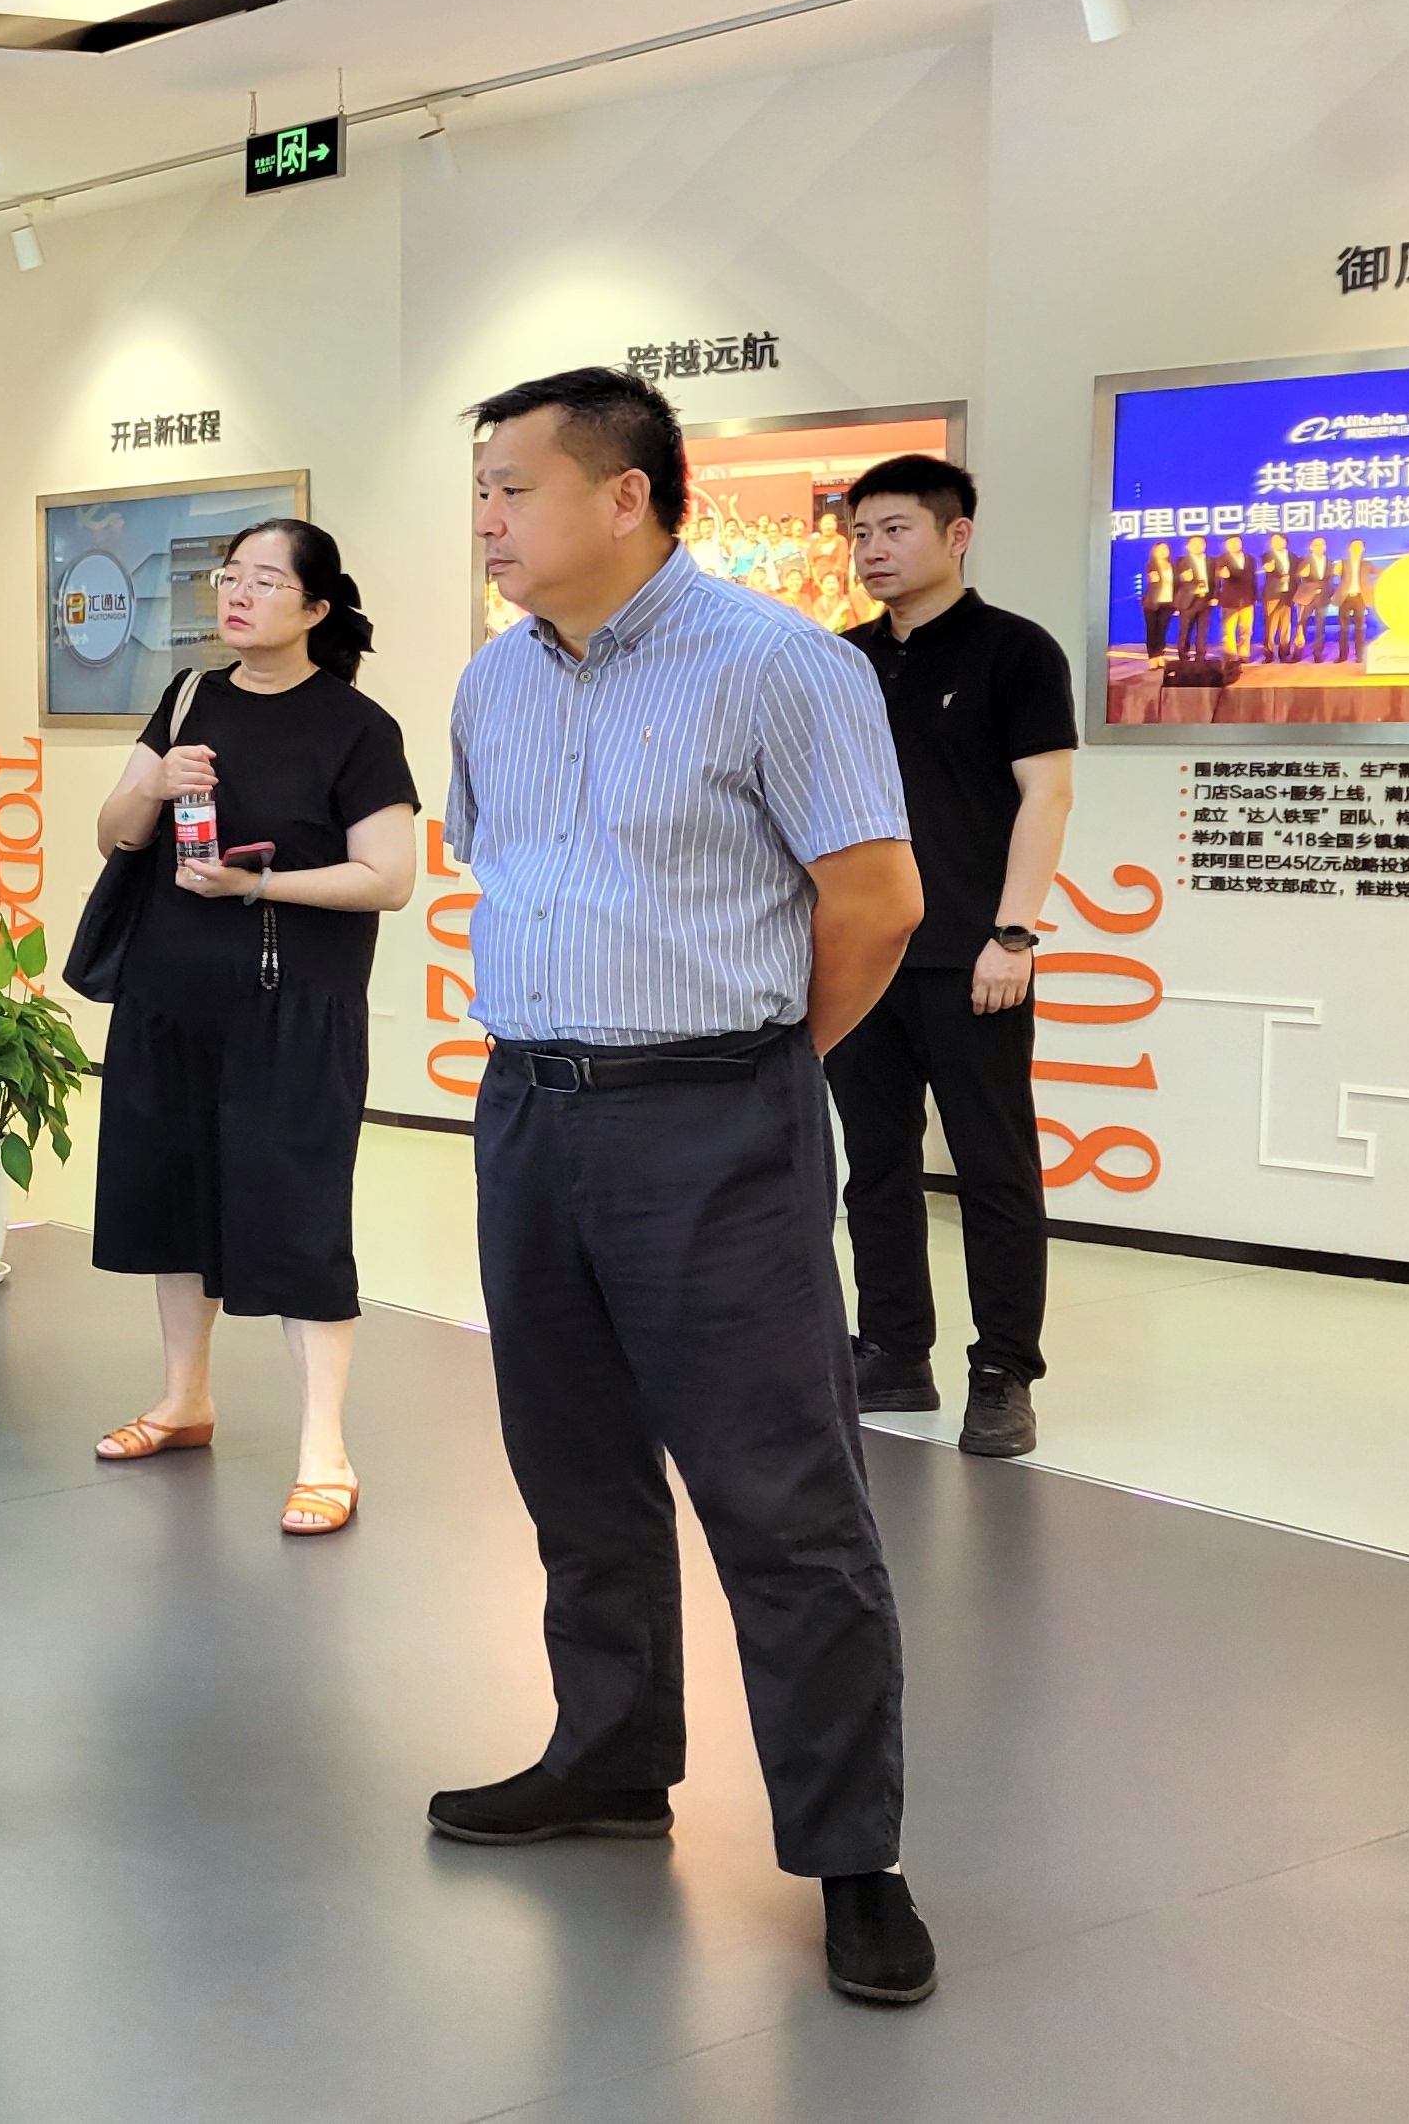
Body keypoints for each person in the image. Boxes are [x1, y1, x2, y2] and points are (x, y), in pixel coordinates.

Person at [439, 366, 934, 2006]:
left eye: (512, 487)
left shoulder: (778, 666)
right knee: (573, 1466)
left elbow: (874, 901)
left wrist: (759, 1066)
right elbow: (506, 866)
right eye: (480, 490)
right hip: (530, 1107)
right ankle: (606, 1753)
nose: (487, 518)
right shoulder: (492, 682)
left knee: (780, 1494)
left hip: (716, 1114)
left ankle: (851, 1854)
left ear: (626, 496)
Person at [84, 518, 417, 1534]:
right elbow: (112, 834)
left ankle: (325, 1449)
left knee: (299, 1214)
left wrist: (259, 885)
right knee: (174, 1199)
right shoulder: (189, 697)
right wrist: (154, 785)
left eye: (265, 582)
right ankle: (184, 1399)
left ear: (315, 608)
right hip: (171, 996)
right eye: (231, 576)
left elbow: (389, 879)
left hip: (294, 1009)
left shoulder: (357, 728)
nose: (237, 594)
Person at [827, 456, 1077, 1458]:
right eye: (860, 534)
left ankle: (1004, 1371)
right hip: (859, 956)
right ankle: (893, 1351)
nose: (872, 551)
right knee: (874, 1166)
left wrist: (1013, 932)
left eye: (894, 530)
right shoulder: (842, 661)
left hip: (975, 954)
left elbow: (1047, 795)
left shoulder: (1015, 650)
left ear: (955, 534)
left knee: (994, 1168)